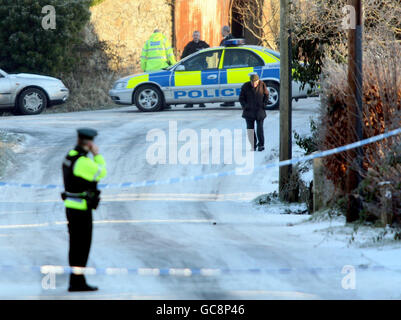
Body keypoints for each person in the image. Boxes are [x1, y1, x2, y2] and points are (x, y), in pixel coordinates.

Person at [62, 128, 107, 292]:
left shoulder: (71, 155)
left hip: (72, 207)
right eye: (92, 142)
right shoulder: (82, 161)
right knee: (82, 247)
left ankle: (76, 280)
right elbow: (101, 173)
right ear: (88, 143)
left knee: (75, 247)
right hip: (81, 209)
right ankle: (77, 282)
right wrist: (97, 156)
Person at [239, 74, 269, 152]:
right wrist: (245, 106)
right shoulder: (245, 86)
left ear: (258, 81)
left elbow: (266, 94)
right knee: (250, 129)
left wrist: (264, 104)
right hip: (249, 112)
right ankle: (253, 145)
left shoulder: (262, 84)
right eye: (252, 82)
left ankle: (261, 145)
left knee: (260, 129)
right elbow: (241, 98)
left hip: (259, 111)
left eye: (255, 82)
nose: (254, 84)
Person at [181, 31, 210, 109]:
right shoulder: (189, 45)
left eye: (197, 35)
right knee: (190, 86)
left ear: (199, 36)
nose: (196, 37)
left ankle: (201, 102)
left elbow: (210, 53)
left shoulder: (203, 44)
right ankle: (190, 103)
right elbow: (183, 57)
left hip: (201, 68)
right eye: (194, 35)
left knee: (201, 86)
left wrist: (204, 50)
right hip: (191, 70)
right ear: (192, 36)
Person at [220, 27, 234, 107]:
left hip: (229, 65)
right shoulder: (224, 40)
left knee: (228, 84)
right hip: (225, 65)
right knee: (225, 84)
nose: (221, 32)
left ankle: (230, 101)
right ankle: (227, 101)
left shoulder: (231, 39)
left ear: (226, 31)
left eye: (222, 31)